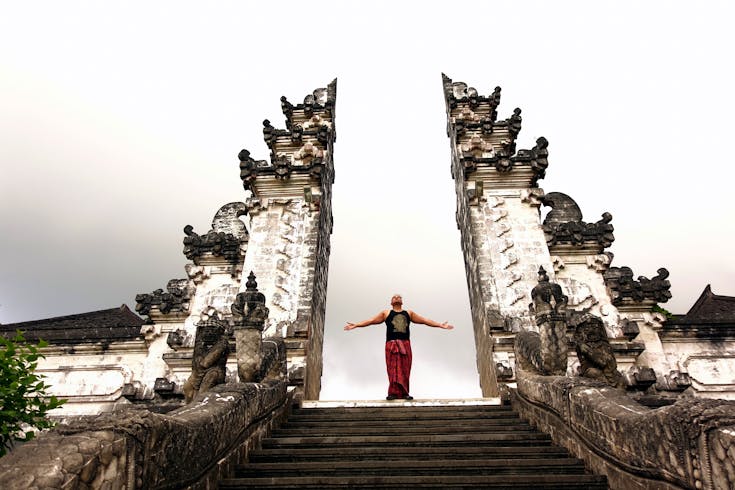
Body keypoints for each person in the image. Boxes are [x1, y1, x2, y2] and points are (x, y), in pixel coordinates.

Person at [344, 294, 454, 400]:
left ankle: (405, 393)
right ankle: (393, 393)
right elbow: (371, 321)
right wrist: (356, 325)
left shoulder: (409, 313)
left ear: (402, 301)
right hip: (391, 344)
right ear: (391, 302)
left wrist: (440, 325)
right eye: (394, 297)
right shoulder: (386, 313)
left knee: (405, 368)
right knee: (392, 369)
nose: (397, 297)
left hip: (405, 344)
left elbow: (424, 320)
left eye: (399, 297)